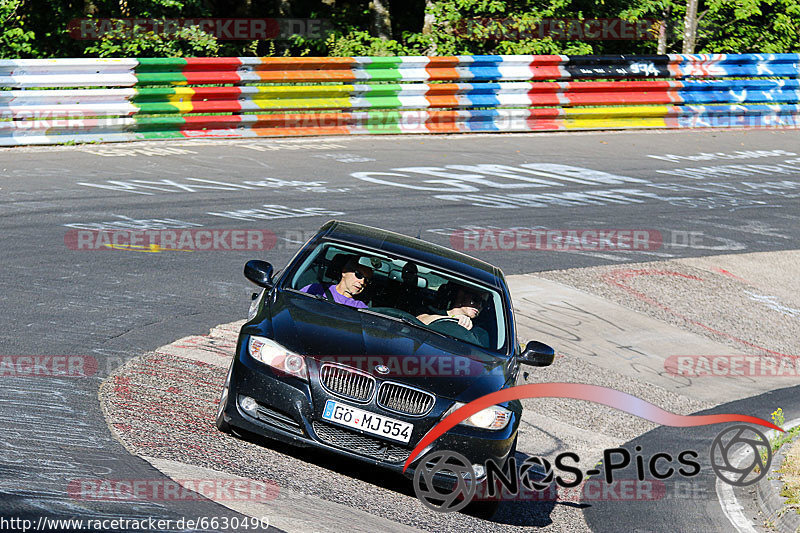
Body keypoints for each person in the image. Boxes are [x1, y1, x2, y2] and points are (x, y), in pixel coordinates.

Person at [300, 256, 372, 308]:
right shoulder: (316, 289)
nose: (362, 282)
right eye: (358, 275)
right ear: (344, 272)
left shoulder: (360, 307)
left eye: (366, 280)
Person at [417, 286, 488, 331]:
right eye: (476, 299)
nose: (479, 306)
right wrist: (452, 318)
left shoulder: (479, 330)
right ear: (461, 295)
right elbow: (418, 320)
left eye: (483, 303)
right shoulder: (431, 310)